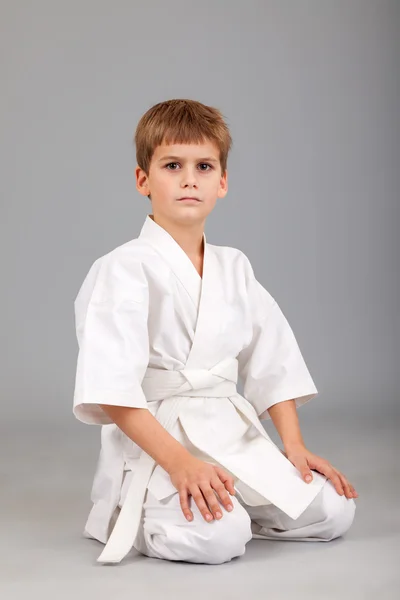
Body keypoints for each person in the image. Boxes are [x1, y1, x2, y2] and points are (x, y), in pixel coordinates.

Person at [72, 98, 358, 565]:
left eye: (204, 166)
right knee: (219, 540)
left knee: (333, 512)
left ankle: (233, 502)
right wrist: (181, 464)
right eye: (172, 165)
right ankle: (140, 508)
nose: (189, 178)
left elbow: (273, 358)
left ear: (222, 182)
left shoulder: (235, 266)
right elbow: (113, 389)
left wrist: (294, 447)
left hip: (229, 431)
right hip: (161, 440)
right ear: (143, 179)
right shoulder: (121, 268)